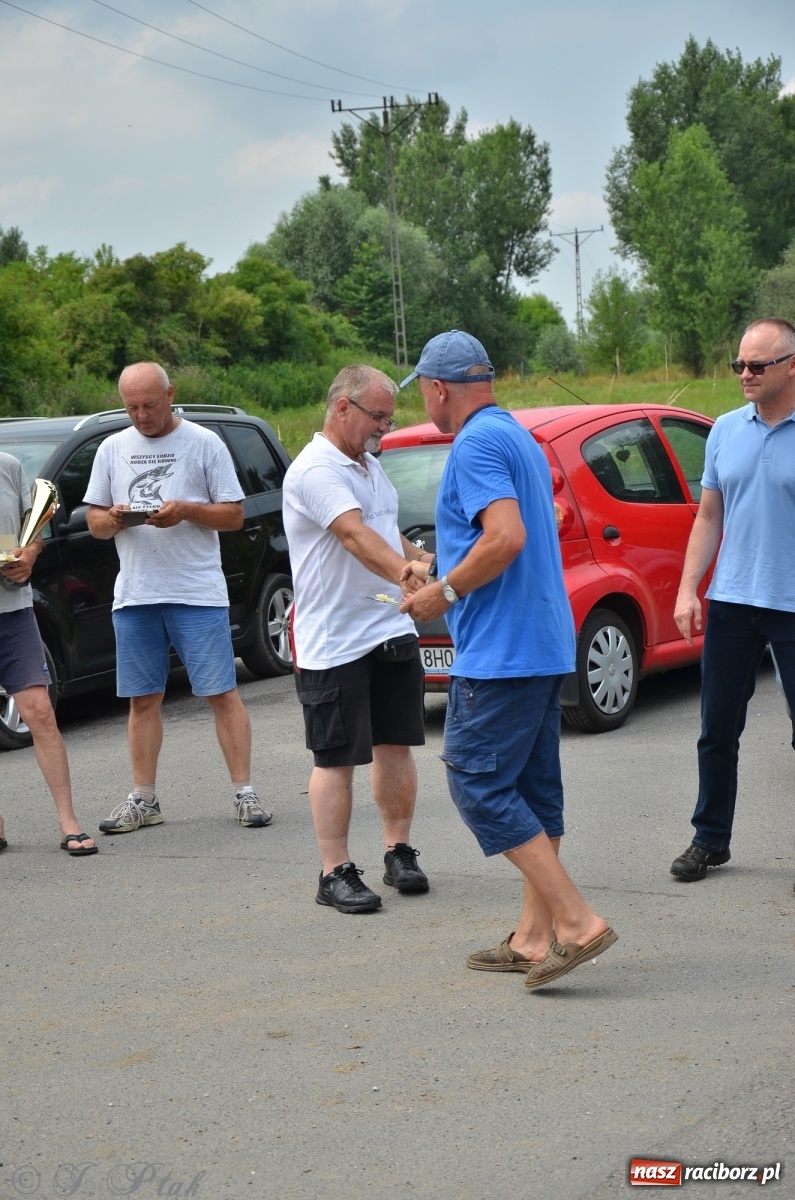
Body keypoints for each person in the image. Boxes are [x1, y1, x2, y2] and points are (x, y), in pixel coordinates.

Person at [400, 330, 616, 989]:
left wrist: (445, 590)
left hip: (501, 653)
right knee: (531, 791)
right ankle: (531, 938)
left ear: (438, 388)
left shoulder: (474, 444)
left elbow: (508, 535)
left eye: (425, 393)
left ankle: (576, 922)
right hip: (542, 641)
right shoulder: (516, 434)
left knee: (475, 782)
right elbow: (527, 523)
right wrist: (439, 564)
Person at [84, 362, 271, 834]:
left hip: (195, 591)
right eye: (132, 407)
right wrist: (117, 517)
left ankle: (245, 793)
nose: (142, 416)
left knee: (221, 693)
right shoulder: (112, 447)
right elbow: (95, 523)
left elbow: (233, 515)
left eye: (150, 404)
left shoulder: (204, 442)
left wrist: (186, 510)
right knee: (142, 699)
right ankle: (144, 799)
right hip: (136, 593)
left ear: (171, 394)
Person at [283, 364, 430, 914]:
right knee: (336, 757)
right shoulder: (316, 469)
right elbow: (352, 534)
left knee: (397, 745)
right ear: (342, 407)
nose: (384, 430)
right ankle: (334, 871)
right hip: (334, 641)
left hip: (389, 627)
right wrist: (404, 574)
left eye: (389, 419)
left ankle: (399, 852)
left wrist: (427, 563)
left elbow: (386, 530)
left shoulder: (368, 465)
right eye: (378, 417)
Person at [671, 317, 795, 882]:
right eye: (738, 364)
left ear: (790, 365)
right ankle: (709, 839)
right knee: (716, 728)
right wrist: (687, 588)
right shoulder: (724, 429)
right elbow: (709, 516)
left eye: (756, 365)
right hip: (733, 603)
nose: (744, 373)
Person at [0, 453, 97, 856]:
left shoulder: (8, 466)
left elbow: (30, 533)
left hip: (13, 610)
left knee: (39, 710)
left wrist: (28, 557)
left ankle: (68, 823)